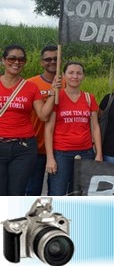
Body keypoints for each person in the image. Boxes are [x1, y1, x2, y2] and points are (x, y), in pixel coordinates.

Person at [0, 45, 57, 196]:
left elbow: (43, 115)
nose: (16, 62)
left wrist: (52, 94)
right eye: (12, 58)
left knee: (17, 192)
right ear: (3, 60)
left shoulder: (30, 87)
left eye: (21, 59)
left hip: (23, 148)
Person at [45, 62, 103, 196]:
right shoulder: (57, 98)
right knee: (57, 193)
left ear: (83, 76)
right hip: (61, 153)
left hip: (85, 153)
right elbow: (48, 129)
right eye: (71, 73)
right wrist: (50, 158)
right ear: (64, 75)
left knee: (79, 193)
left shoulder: (89, 98)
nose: (75, 76)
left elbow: (95, 127)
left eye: (79, 73)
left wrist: (98, 153)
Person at [25, 45, 60, 196]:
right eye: (48, 59)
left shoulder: (67, 83)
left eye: (56, 59)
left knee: (57, 189)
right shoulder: (31, 84)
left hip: (59, 146)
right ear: (41, 62)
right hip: (36, 145)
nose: (52, 61)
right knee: (33, 188)